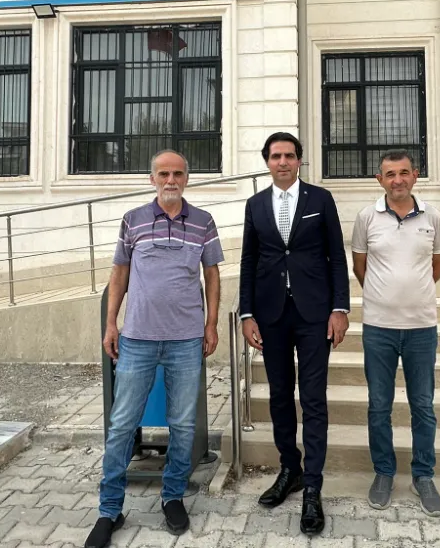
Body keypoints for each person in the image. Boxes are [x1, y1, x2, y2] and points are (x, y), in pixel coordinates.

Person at [85, 150, 224, 548]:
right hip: (137, 340)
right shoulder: (133, 220)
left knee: (183, 425)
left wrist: (211, 324)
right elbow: (119, 273)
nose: (171, 180)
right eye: (163, 173)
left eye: (178, 173)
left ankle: (172, 496)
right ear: (152, 179)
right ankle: (109, 510)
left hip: (186, 340)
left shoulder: (203, 222)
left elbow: (212, 275)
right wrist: (111, 323)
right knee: (121, 425)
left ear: (187, 178)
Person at [239, 132, 349, 535]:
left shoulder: (320, 199)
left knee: (313, 399)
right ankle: (291, 469)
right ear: (267, 162)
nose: (282, 162)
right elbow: (249, 259)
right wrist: (246, 314)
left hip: (314, 314)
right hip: (271, 314)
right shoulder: (255, 204)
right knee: (280, 396)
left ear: (299, 160)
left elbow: (336, 256)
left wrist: (340, 308)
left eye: (289, 155)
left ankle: (313, 488)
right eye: (275, 156)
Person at [351, 149, 440, 517]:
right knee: (379, 405)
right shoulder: (367, 217)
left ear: (415, 175)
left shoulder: (432, 216)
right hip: (379, 328)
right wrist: (384, 296)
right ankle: (383, 472)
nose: (398, 180)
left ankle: (423, 475)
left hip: (422, 326)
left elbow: (437, 266)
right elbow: (360, 266)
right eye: (390, 174)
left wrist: (411, 294)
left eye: (404, 172)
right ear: (380, 179)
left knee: (423, 405)